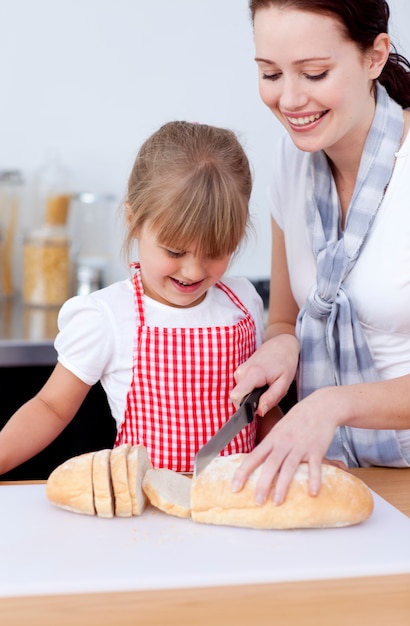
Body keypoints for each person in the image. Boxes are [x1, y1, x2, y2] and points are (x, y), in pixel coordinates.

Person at [0, 121, 279, 476]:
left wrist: (292, 454)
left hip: (235, 502)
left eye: (216, 251)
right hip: (145, 512)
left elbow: (260, 408)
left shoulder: (243, 302)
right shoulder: (108, 316)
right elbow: (50, 407)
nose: (193, 271)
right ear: (134, 221)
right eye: (175, 251)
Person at [230, 0, 410, 505]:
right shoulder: (289, 162)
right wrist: (280, 346)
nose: (290, 99)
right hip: (336, 479)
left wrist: (335, 405)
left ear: (375, 56)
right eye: (270, 73)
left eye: (314, 73)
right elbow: (285, 321)